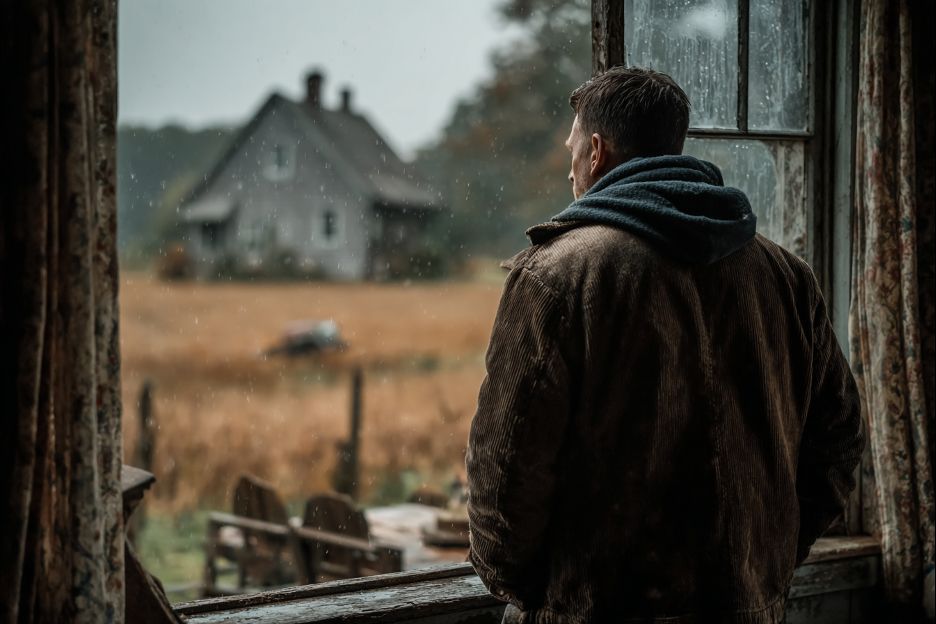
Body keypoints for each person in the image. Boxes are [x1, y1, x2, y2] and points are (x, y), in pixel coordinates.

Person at [465, 66, 865, 623]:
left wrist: (537, 588)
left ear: (598, 152)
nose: (570, 170)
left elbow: (505, 469)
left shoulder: (559, 275)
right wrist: (761, 559)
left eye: (572, 151)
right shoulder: (786, 276)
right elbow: (840, 438)